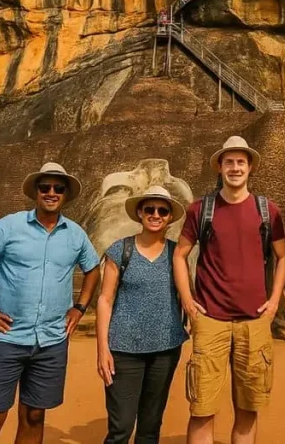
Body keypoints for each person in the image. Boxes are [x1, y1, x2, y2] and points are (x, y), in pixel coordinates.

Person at [0, 162, 101, 444]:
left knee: (34, 416)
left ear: (66, 194)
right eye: (44, 187)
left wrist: (79, 307)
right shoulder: (10, 226)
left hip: (51, 340)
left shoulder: (75, 234)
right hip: (7, 337)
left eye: (58, 188)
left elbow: (93, 269)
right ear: (36, 191)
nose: (51, 192)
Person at [173, 135, 285, 444]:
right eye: (229, 162)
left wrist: (275, 300)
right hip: (211, 319)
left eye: (241, 162)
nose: (235, 168)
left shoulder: (268, 211)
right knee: (202, 408)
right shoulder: (202, 209)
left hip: (254, 321)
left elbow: (283, 257)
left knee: (248, 407)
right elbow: (179, 254)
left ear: (250, 167)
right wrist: (188, 300)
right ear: (220, 167)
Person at [96, 186, 189, 444]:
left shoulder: (176, 254)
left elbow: (187, 294)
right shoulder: (120, 250)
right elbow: (105, 299)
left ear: (170, 217)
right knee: (121, 427)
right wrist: (102, 348)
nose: (156, 214)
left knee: (150, 426)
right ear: (140, 212)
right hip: (124, 349)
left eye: (163, 210)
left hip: (165, 348)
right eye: (150, 209)